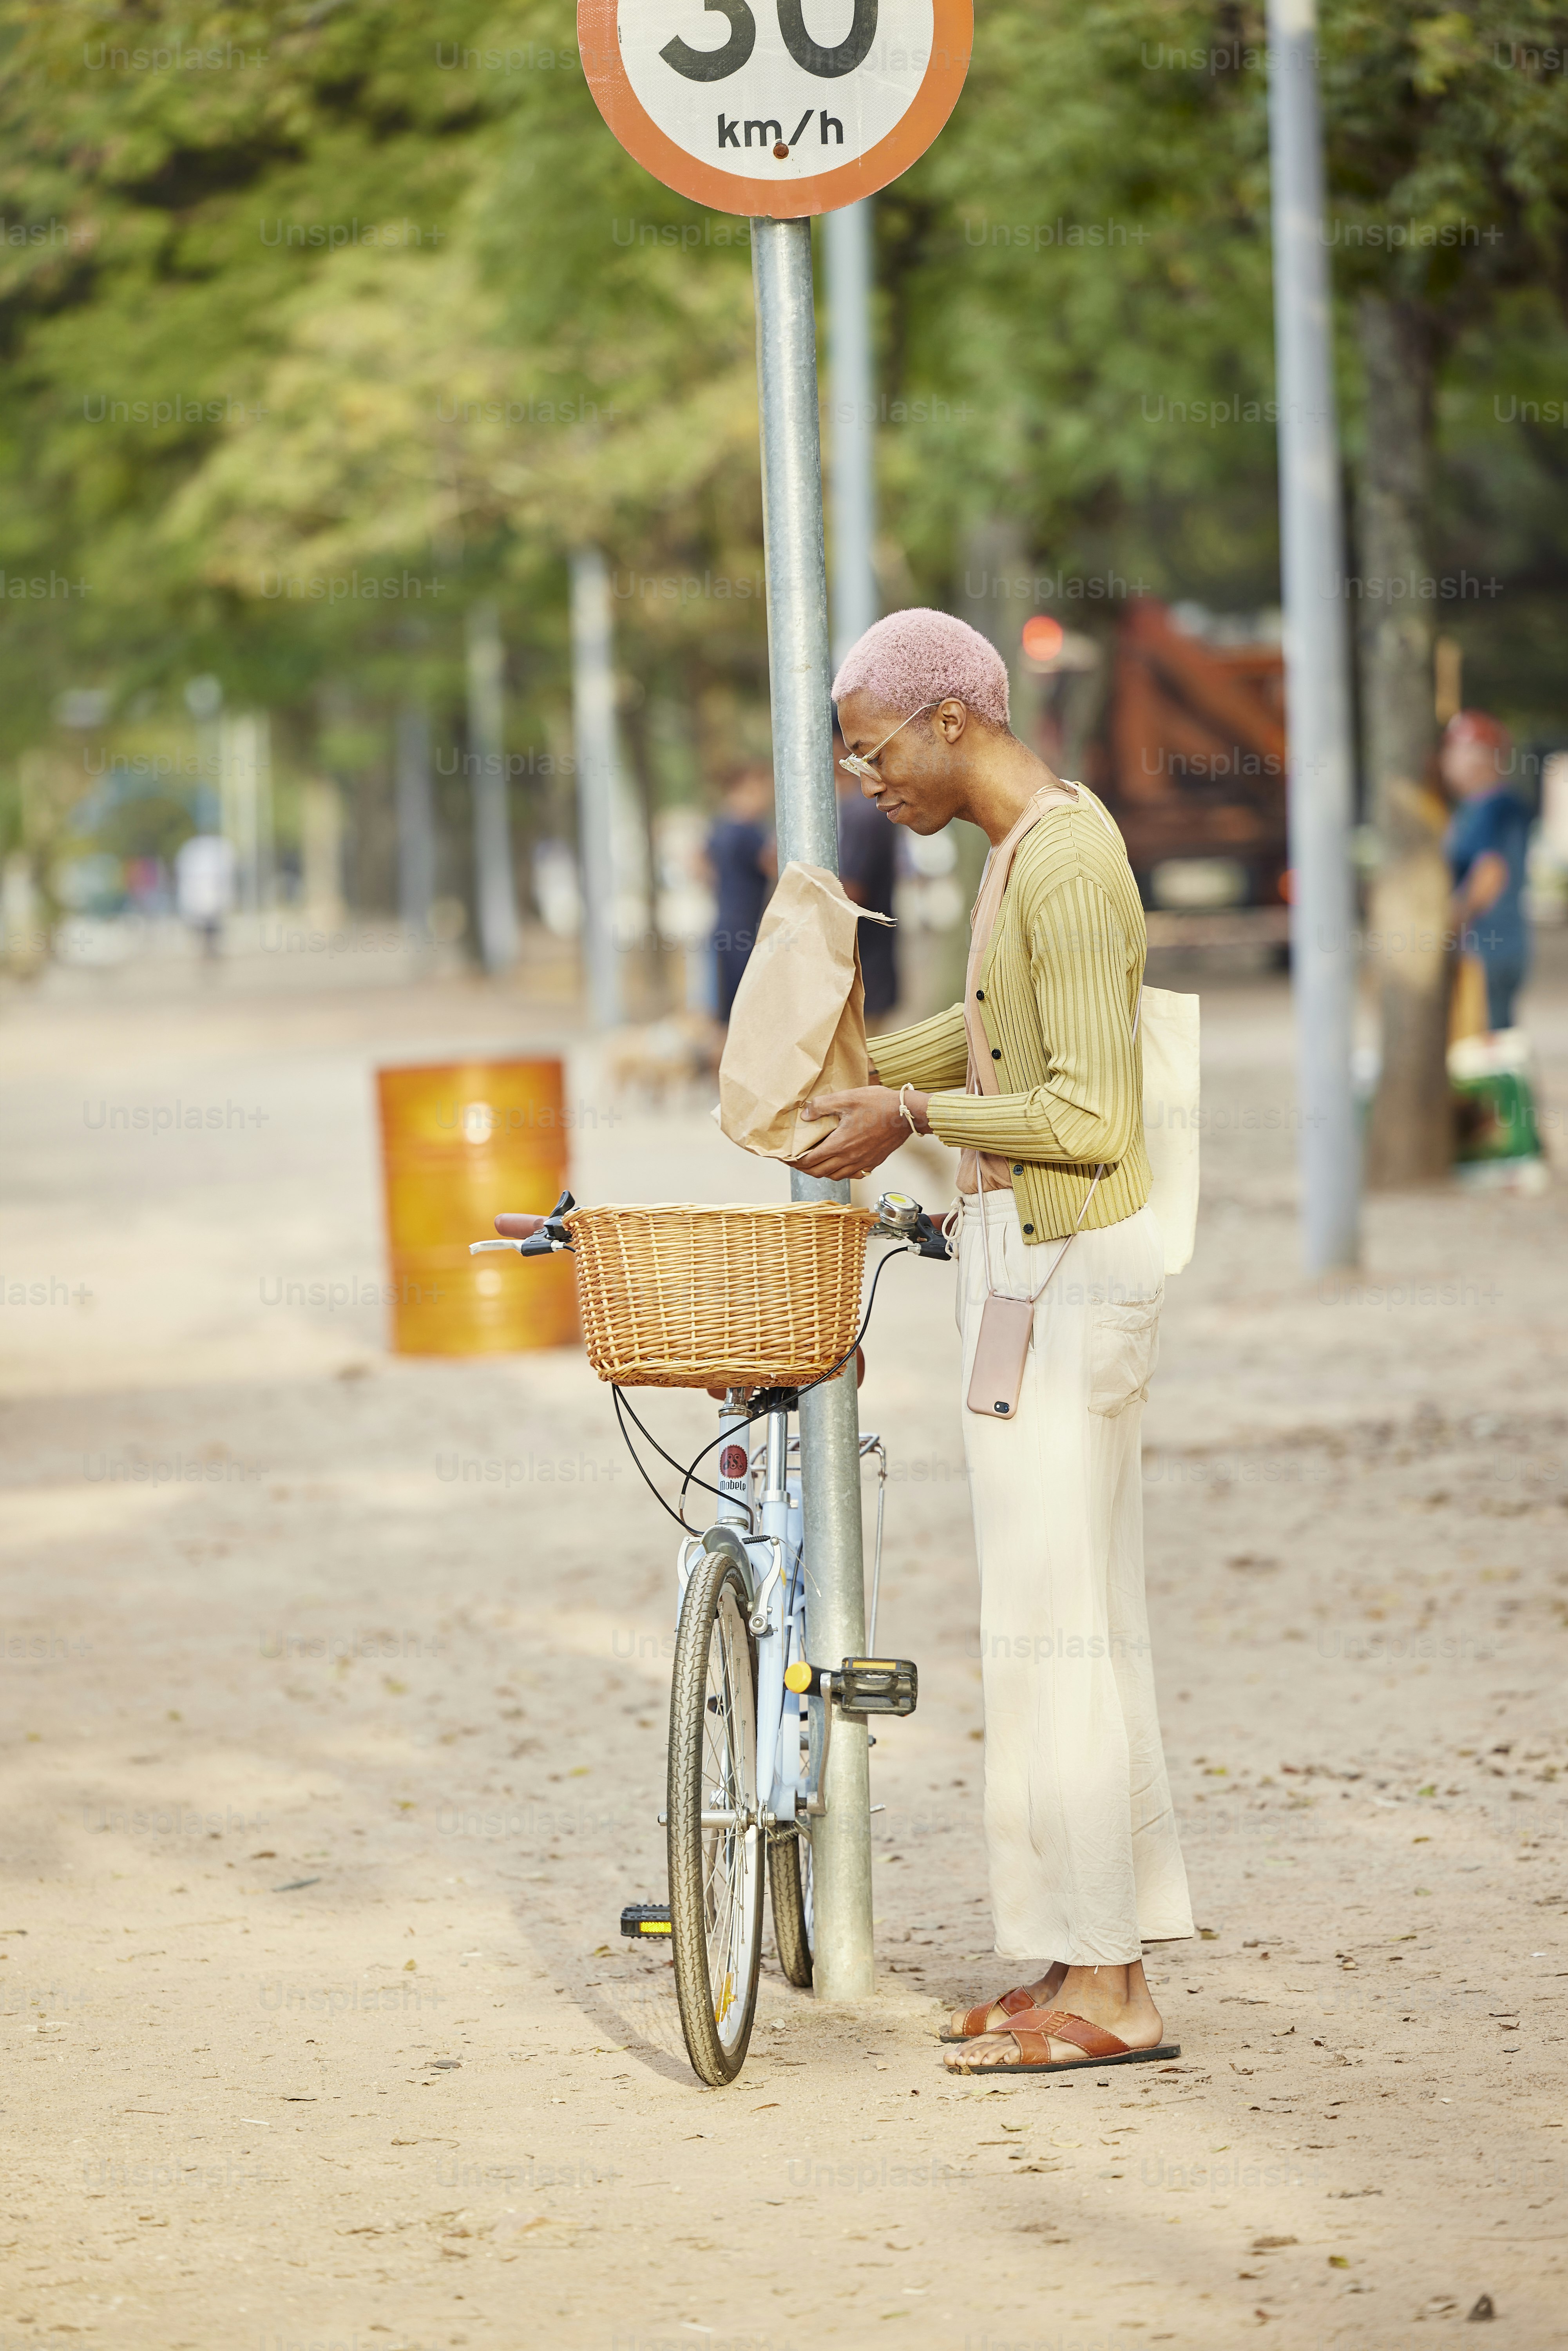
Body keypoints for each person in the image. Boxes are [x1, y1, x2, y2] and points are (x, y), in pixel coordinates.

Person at [798, 606, 1193, 2078]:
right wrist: (828, 1066)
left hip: (1071, 1270)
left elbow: (1089, 1116)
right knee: (1045, 1635)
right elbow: (984, 1049)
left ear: (951, 717)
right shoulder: (1017, 853)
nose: (860, 775)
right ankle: (1084, 1955)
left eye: (867, 743)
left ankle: (1117, 1989)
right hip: (1031, 1271)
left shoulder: (1070, 861)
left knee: (1064, 1633)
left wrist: (904, 1113)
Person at [1442, 708, 1532, 1034]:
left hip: (1485, 947)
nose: (1446, 762)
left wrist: (1451, 921)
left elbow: (1491, 875)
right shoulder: (1496, 806)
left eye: (1452, 752)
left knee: (1486, 1048)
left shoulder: (1489, 809)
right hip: (1505, 945)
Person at [835, 728, 900, 1023]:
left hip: (866, 971)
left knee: (868, 1065)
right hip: (854, 971)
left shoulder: (863, 813)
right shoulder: (850, 810)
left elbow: (854, 890)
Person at [705, 766, 774, 1021]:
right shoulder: (749, 832)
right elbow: (776, 865)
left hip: (725, 922)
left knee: (728, 1009)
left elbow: (702, 866)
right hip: (744, 928)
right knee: (747, 1007)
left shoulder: (720, 827)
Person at [174, 831, 236, 962]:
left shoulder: (192, 850)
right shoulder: (217, 850)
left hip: (204, 901)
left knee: (209, 929)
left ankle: (208, 951)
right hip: (208, 900)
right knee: (209, 928)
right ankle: (208, 951)